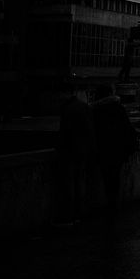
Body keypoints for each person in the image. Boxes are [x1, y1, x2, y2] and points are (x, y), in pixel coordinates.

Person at [91, 83, 138, 215]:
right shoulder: (118, 108)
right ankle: (114, 204)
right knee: (115, 177)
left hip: (104, 149)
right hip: (118, 150)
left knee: (107, 178)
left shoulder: (96, 110)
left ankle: (110, 203)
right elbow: (127, 129)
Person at [57, 83, 94, 225]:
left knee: (69, 184)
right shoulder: (84, 107)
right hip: (84, 151)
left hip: (71, 151)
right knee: (80, 183)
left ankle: (68, 216)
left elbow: (65, 133)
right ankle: (80, 214)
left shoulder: (67, 109)